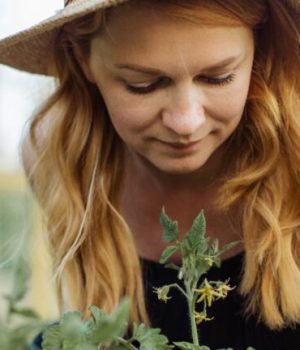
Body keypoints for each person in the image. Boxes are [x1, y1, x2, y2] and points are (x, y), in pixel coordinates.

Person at [1, 0, 300, 349]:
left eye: (217, 77)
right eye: (142, 85)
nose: (186, 122)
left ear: (258, 45)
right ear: (83, 59)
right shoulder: (59, 152)